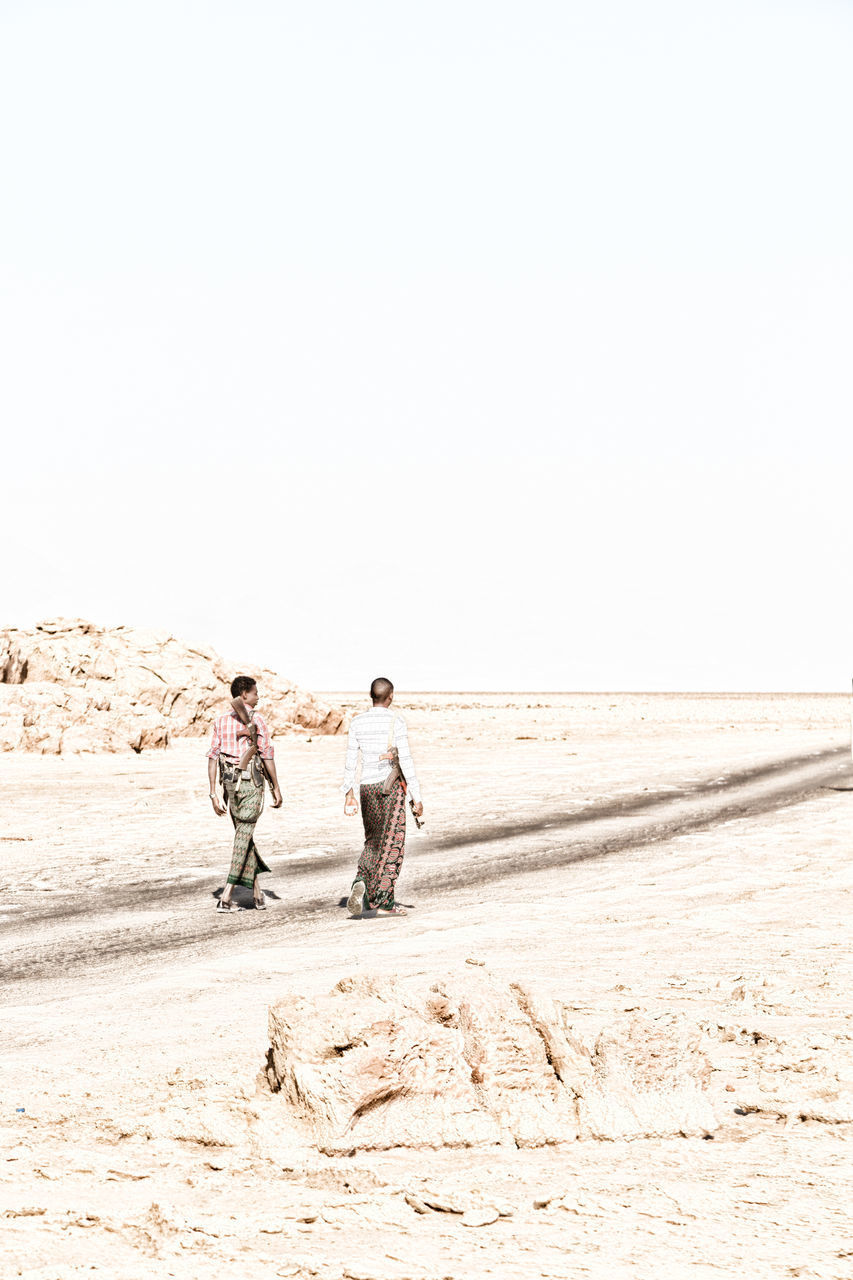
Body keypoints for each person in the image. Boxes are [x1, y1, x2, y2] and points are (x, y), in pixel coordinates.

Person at [342, 677, 424, 918]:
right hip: (390, 788)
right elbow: (406, 760)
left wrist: (349, 794)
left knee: (373, 840)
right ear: (391, 697)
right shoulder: (396, 721)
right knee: (393, 843)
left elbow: (350, 761)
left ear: (371, 695)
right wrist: (416, 796)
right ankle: (386, 902)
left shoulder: (357, 722)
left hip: (366, 787)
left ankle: (361, 881)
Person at [208, 675, 283, 913]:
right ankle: (227, 896)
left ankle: (257, 892)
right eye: (255, 693)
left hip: (229, 785)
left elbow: (213, 756)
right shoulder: (257, 719)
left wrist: (213, 793)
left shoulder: (220, 721)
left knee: (245, 836)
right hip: (251, 783)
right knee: (242, 838)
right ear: (244, 695)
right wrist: (276, 787)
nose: (258, 696)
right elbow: (267, 755)